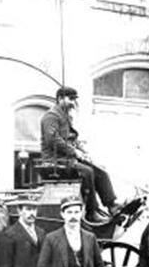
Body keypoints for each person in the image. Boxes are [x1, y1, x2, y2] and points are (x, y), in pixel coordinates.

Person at [40, 86, 117, 224]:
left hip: (67, 160)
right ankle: (91, 212)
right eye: (70, 99)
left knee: (100, 171)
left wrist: (83, 150)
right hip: (54, 162)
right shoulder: (51, 116)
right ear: (60, 99)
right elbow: (52, 140)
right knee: (87, 172)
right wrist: (74, 152)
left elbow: (71, 139)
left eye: (74, 99)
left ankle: (112, 205)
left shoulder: (65, 117)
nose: (73, 103)